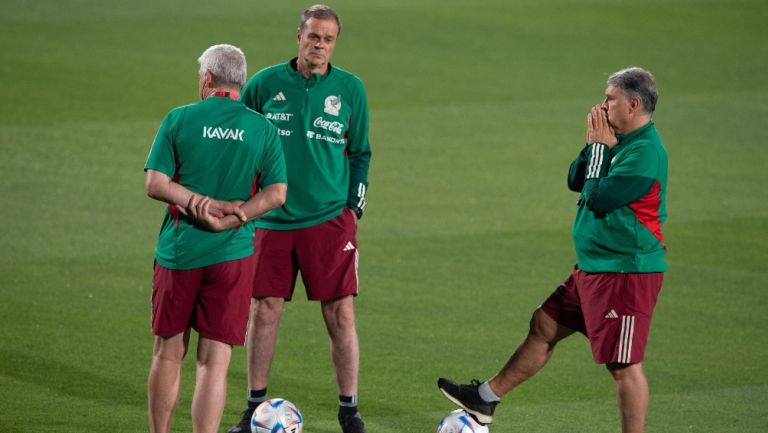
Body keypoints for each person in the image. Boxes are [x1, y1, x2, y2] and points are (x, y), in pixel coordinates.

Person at [438, 67, 668, 433]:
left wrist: (599, 149)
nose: (602, 105)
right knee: (544, 324)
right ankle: (486, 397)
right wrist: (594, 145)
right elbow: (575, 179)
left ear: (634, 103)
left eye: (610, 99)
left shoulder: (646, 154)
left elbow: (596, 199)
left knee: (623, 366)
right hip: (594, 267)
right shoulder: (615, 140)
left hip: (626, 273)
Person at [227, 5, 372, 433]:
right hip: (270, 222)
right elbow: (241, 142)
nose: (320, 46)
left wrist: (354, 207)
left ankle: (349, 411)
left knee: (340, 314)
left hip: (329, 220)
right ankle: (254, 408)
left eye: (328, 39)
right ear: (299, 36)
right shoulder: (264, 85)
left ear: (335, 43)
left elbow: (361, 152)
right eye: (313, 37)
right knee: (264, 310)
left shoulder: (350, 89)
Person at [144, 44, 287, 433]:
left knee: (168, 354)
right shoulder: (263, 128)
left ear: (207, 78)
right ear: (239, 81)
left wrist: (197, 202)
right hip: (232, 256)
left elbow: (155, 183)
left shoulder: (180, 118)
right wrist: (237, 214)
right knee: (214, 362)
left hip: (179, 251)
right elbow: (276, 194)